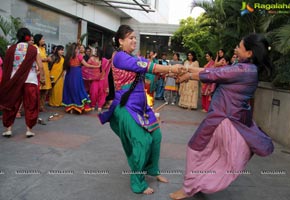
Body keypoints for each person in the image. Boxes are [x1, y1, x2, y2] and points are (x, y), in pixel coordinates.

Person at [169, 33, 274, 199]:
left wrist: (188, 74)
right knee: (208, 152)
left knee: (195, 148)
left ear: (249, 53)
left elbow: (213, 75)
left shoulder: (244, 70)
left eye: (239, 46)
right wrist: (187, 70)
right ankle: (197, 183)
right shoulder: (246, 68)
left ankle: (188, 188)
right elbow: (214, 71)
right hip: (226, 119)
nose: (235, 49)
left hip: (222, 120)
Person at [99, 25, 183, 195]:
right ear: (120, 41)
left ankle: (153, 169)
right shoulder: (120, 57)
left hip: (142, 106)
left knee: (156, 136)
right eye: (130, 37)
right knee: (142, 141)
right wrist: (170, 68)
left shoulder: (133, 57)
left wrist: (169, 74)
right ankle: (138, 183)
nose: (134, 40)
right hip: (127, 106)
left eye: (135, 37)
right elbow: (146, 66)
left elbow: (147, 72)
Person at [0, 27, 45, 137]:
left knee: (12, 104)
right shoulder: (34, 49)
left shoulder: (10, 48)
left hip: (14, 80)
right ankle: (29, 130)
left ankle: (8, 129)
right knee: (30, 105)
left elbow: (6, 66)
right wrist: (42, 77)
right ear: (28, 37)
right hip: (30, 80)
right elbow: (41, 66)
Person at [62, 42, 99, 114]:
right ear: (75, 49)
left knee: (70, 90)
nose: (78, 50)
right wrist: (96, 66)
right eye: (77, 48)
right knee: (78, 90)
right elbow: (87, 65)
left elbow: (65, 68)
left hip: (69, 75)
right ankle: (78, 107)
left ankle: (71, 108)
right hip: (76, 75)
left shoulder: (67, 57)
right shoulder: (79, 56)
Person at [34, 34, 51, 112]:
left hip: (45, 71)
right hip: (39, 70)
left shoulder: (43, 48)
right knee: (38, 90)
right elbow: (37, 58)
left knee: (45, 90)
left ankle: (41, 106)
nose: (44, 40)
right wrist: (45, 59)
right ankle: (35, 106)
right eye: (42, 39)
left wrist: (47, 59)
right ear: (38, 40)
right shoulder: (35, 47)